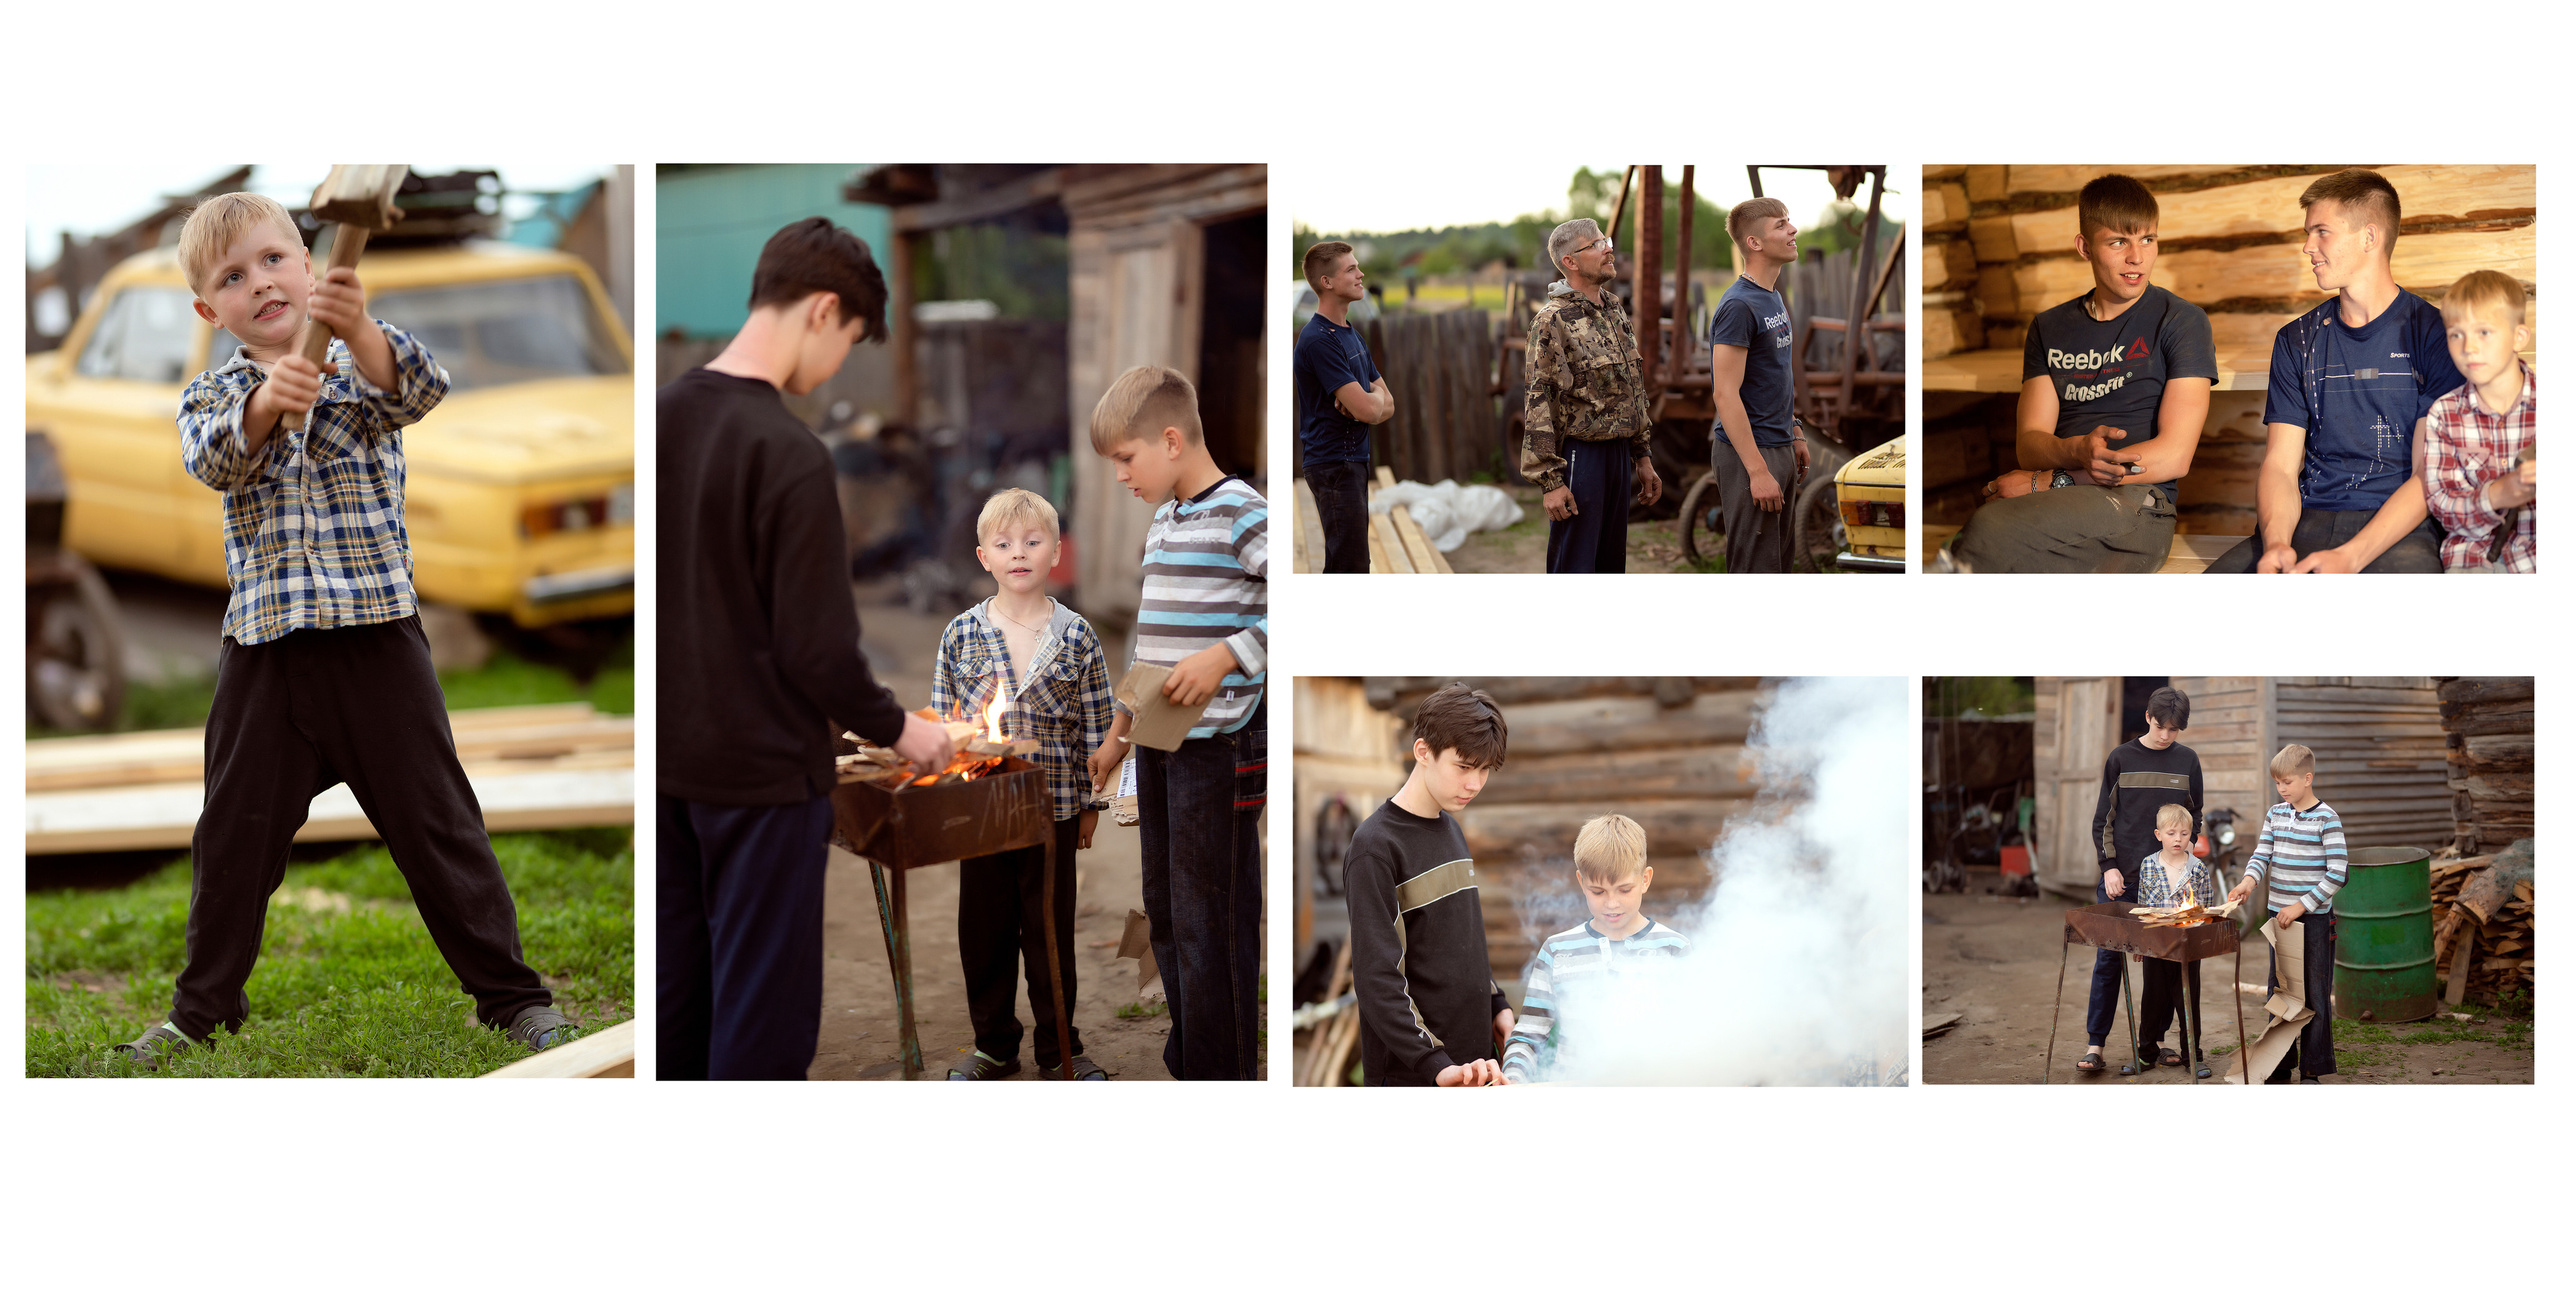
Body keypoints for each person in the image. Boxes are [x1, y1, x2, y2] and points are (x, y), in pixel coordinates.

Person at [125, 192, 567, 1070]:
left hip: (376, 642)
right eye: (234, 277)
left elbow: (423, 387)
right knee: (232, 838)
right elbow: (211, 457)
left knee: (439, 825)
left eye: (274, 260)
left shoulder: (360, 367)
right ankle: (202, 1008)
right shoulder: (215, 391)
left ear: (312, 265)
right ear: (211, 311)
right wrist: (262, 403)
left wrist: (359, 332)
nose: (261, 283)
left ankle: (514, 997)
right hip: (267, 653)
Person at [659, 217, 956, 1081]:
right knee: (763, 1017)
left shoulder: (664, 416)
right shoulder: (789, 452)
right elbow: (817, 650)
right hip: (761, 781)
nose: (835, 368)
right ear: (824, 311)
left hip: (672, 766)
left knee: (685, 995)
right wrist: (903, 728)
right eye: (850, 342)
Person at [1082, 365, 1268, 1080]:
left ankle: (1219, 1071)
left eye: (1126, 459)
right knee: (1165, 904)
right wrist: (1117, 734)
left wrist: (1227, 654)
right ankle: (1191, 1052)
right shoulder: (1164, 520)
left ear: (1169, 439)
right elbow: (1150, 645)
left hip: (1218, 749)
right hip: (1159, 746)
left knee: (1209, 914)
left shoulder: (1243, 513)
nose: (1122, 476)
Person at [931, 488, 1116, 1081]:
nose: (1019, 554)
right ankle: (993, 1046)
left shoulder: (1077, 636)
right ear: (983, 555)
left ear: (1056, 553)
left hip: (1054, 809)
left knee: (1048, 933)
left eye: (1033, 542)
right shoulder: (961, 634)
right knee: (983, 932)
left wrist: (1091, 807)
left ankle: (1059, 1047)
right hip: (982, 811)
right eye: (1004, 544)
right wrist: (947, 801)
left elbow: (1096, 726)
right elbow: (943, 723)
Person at [1950, 175, 2217, 573]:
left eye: (2148, 239)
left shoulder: (2181, 320)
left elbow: (2174, 457)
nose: (2137, 258)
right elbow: (2030, 443)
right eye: (2118, 242)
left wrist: (2050, 480)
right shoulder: (2048, 327)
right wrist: (2075, 452)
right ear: (2085, 247)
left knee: (1988, 533)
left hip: (2139, 503)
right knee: (1977, 541)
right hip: (2058, 499)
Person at [2206, 170, 2465, 573]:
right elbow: (2279, 465)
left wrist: (2350, 557)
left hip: (2398, 527)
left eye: (2321, 232)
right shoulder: (2297, 340)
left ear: (2369, 237)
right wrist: (2276, 543)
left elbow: (2425, 475)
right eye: (2308, 233)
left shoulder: (2434, 334)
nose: (2308, 247)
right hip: (2306, 518)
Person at [1343, 683, 1513, 1086]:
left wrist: (1497, 1004)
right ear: (1423, 752)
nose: (1475, 783)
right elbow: (1377, 979)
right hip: (1417, 1075)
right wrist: (1435, 1065)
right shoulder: (1375, 848)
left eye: (1485, 769)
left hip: (1474, 1066)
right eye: (1464, 766)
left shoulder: (1451, 828)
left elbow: (1461, 940)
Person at [2074, 686, 2205, 1074]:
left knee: (2162, 962)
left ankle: (2157, 1043)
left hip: (2167, 883)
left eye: (2175, 730)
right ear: (2148, 717)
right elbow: (2104, 819)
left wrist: (2182, 858)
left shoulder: (2188, 761)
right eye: (2162, 726)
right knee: (2108, 961)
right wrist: (2108, 866)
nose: (2167, 735)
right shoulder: (2121, 758)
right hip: (2123, 879)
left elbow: (2194, 817)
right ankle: (2095, 1044)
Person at [1501, 814, 1689, 1083]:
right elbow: (1529, 1036)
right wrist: (1514, 1079)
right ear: (1581, 882)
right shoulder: (1557, 950)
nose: (1611, 903)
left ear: (1645, 879)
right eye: (1598, 892)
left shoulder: (1674, 949)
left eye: (1624, 889)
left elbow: (1693, 1032)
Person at [1523, 217, 1664, 573]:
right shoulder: (1552, 321)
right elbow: (1540, 402)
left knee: (1610, 565)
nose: (1609, 249)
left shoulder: (1613, 310)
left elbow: (1632, 387)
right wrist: (1551, 482)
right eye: (1597, 244)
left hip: (1618, 457)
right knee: (1577, 566)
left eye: (1607, 240)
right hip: (1580, 458)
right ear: (1570, 261)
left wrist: (1642, 457)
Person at [2224, 745, 2349, 1083]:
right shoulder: (2276, 813)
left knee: (2314, 993)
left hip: (2313, 920)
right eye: (2278, 783)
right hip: (2279, 920)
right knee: (2279, 991)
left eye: (2287, 782)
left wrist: (2300, 906)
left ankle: (2312, 1068)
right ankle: (2278, 1066)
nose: (2282, 789)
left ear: (2308, 779)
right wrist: (2248, 883)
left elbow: (2338, 872)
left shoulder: (2327, 818)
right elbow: (2261, 854)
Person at [1710, 197, 1812, 573]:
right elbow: (1725, 393)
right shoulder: (1739, 306)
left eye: (1789, 222)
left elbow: (1771, 376)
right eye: (1781, 225)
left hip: (1779, 444)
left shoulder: (1770, 296)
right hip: (1750, 455)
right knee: (1757, 569)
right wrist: (1756, 471)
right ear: (1754, 243)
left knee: (1779, 565)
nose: (1792, 230)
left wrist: (1794, 429)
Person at [2420, 270, 2536, 573]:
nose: (2468, 346)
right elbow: (2444, 507)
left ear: (2518, 337)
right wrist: (2497, 494)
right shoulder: (2443, 415)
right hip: (2472, 557)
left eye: (2483, 332)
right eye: (2456, 334)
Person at [1295, 241, 1392, 573]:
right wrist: (1370, 403)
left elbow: (1386, 404)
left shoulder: (1351, 334)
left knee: (1351, 563)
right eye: (1351, 269)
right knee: (1348, 567)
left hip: (1352, 462)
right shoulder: (1319, 340)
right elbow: (1369, 411)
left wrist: (1369, 401)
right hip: (1334, 465)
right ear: (1327, 282)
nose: (1360, 273)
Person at [2125, 804, 2215, 1072]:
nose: (2178, 839)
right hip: (2156, 944)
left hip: (2187, 947)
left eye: (2184, 834)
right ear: (2158, 834)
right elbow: (2142, 906)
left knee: (2187, 1000)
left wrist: (2202, 940)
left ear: (2191, 836)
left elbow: (2207, 908)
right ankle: (2146, 1053)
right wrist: (2140, 943)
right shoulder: (2148, 865)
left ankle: (2192, 1056)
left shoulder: (2197, 868)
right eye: (2172, 833)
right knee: (2152, 1000)